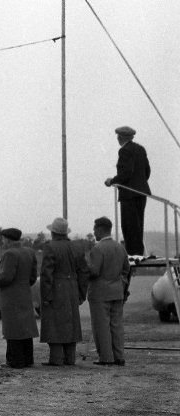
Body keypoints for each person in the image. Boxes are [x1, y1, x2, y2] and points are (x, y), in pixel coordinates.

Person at [39, 217, 89, 366]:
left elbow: (46, 274)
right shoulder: (77, 247)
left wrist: (46, 295)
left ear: (53, 232)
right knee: (71, 323)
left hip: (56, 288)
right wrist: (81, 293)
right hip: (72, 288)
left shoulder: (50, 247)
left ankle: (56, 359)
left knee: (53, 324)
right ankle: (70, 358)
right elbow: (84, 272)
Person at [0, 228, 39, 368]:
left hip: (11, 297)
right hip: (25, 293)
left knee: (13, 329)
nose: (3, 242)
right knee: (25, 328)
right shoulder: (29, 252)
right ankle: (28, 359)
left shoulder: (9, 254)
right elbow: (32, 277)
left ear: (8, 239)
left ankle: (15, 360)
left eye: (4, 239)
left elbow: (6, 277)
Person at [87, 216, 130, 366]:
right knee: (116, 325)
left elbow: (94, 272)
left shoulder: (97, 249)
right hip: (117, 291)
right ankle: (119, 356)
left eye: (95, 229)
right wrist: (121, 284)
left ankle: (106, 357)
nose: (93, 232)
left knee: (101, 326)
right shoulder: (120, 247)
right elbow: (126, 269)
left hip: (99, 293)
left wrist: (84, 267)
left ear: (100, 229)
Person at [104, 126, 151, 256]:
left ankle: (133, 254)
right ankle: (138, 252)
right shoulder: (141, 149)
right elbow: (147, 171)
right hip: (141, 193)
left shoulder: (124, 151)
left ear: (120, 138)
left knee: (129, 226)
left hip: (129, 194)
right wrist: (139, 184)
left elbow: (126, 173)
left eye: (118, 137)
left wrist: (112, 181)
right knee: (138, 224)